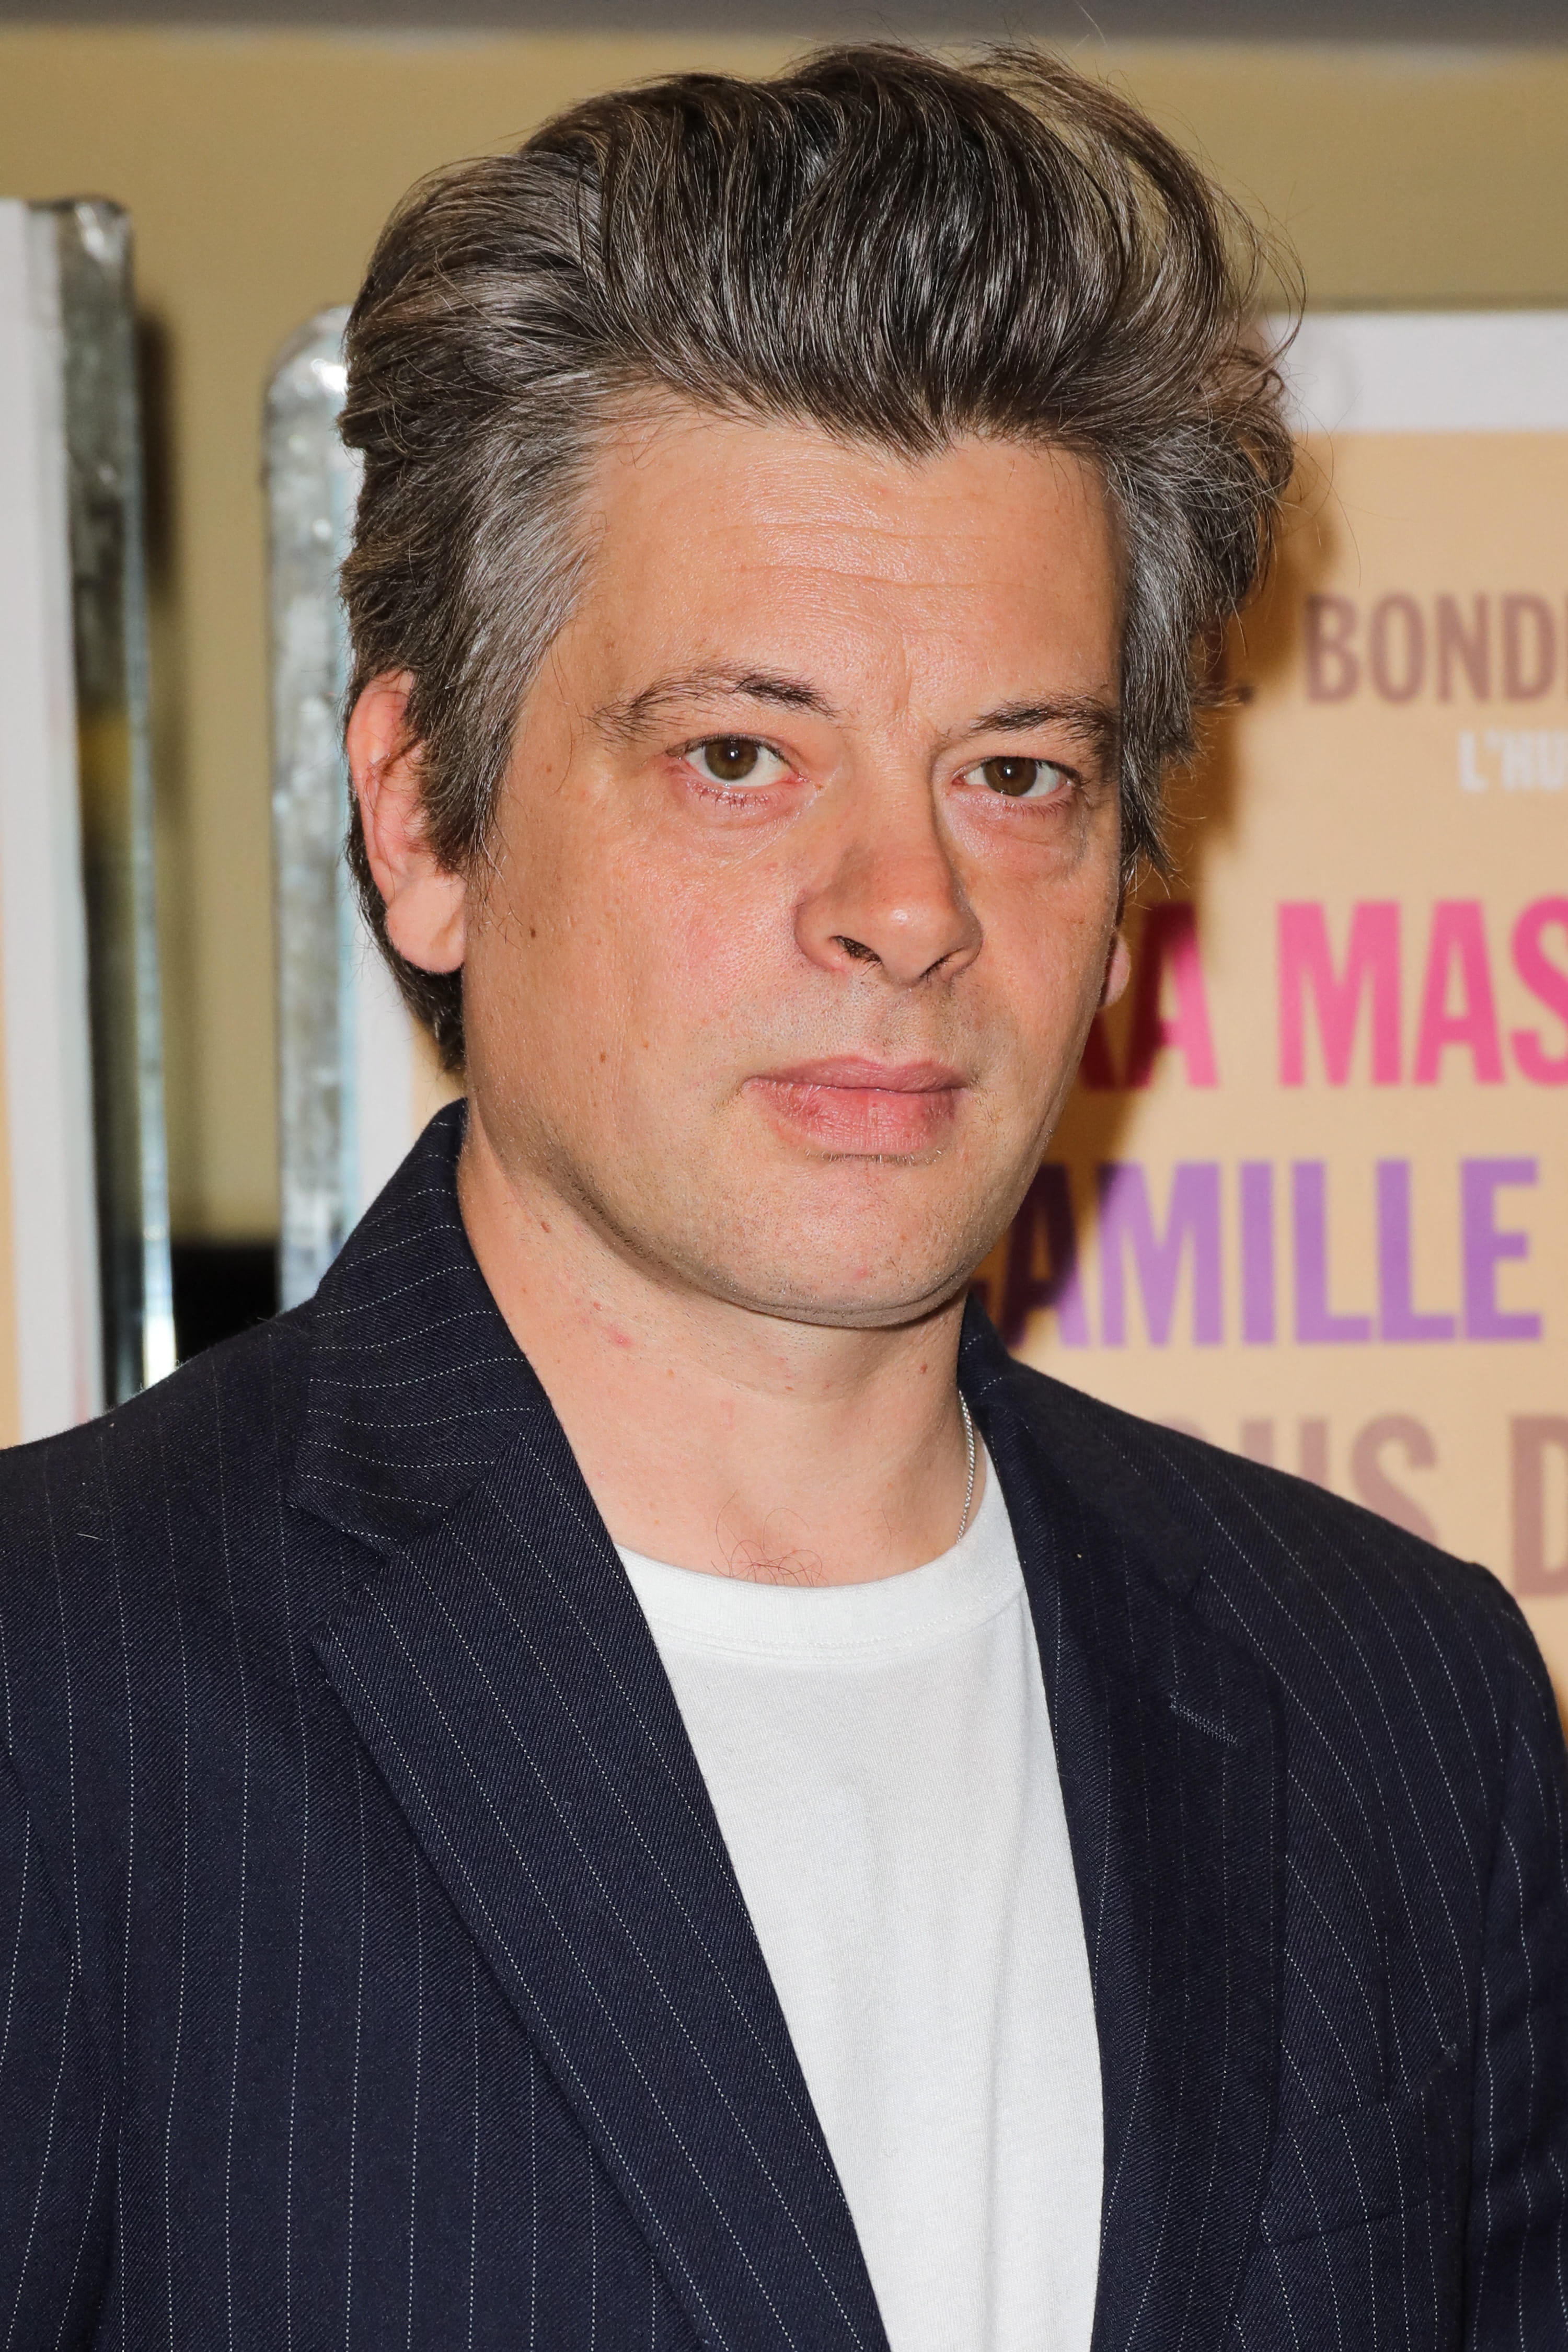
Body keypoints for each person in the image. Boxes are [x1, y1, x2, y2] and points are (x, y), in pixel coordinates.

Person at [2, 44, 1563, 2352]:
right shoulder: (56, 1695)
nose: (907, 906)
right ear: (424, 818)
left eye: (1016, 773)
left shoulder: (1404, 1709)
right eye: (743, 755)